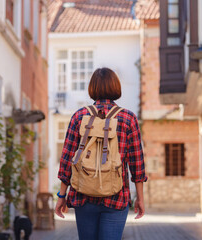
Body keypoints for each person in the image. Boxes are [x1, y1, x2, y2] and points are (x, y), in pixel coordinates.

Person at [55, 67, 147, 240]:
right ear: (116, 87)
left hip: (83, 195)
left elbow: (67, 159)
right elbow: (137, 163)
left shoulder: (79, 116)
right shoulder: (128, 118)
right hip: (117, 196)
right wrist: (140, 199)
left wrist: (62, 196)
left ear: (92, 88)